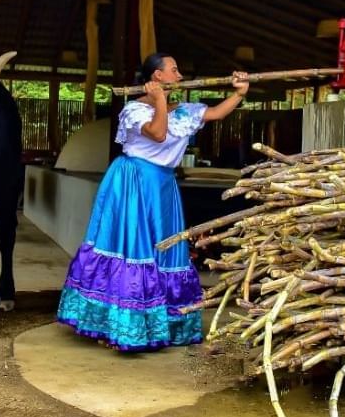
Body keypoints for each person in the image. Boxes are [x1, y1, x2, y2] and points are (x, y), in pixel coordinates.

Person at [56, 53, 249, 351]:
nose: (180, 76)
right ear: (157, 77)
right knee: (131, 249)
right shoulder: (134, 110)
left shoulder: (184, 112)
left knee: (166, 249)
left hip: (162, 187)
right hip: (132, 183)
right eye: (174, 70)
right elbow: (158, 134)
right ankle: (118, 326)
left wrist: (239, 93)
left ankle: (163, 323)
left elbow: (216, 113)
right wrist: (159, 101)